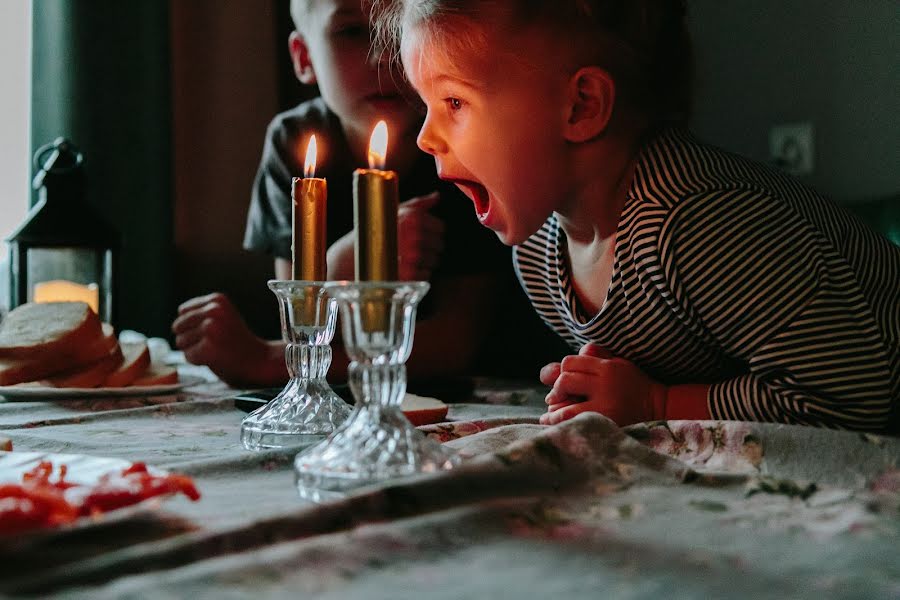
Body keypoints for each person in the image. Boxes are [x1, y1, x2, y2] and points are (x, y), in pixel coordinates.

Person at [373, 0, 900, 432]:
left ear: (580, 106)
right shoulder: (539, 255)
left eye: (455, 103)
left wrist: (657, 403)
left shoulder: (698, 224)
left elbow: (854, 395)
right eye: (427, 107)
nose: (425, 137)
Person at [172, 0, 567, 388]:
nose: (383, 56)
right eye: (352, 32)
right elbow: (298, 321)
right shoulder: (294, 144)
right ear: (304, 56)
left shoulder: (464, 144)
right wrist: (344, 262)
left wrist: (271, 362)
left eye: (398, 28)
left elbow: (454, 345)